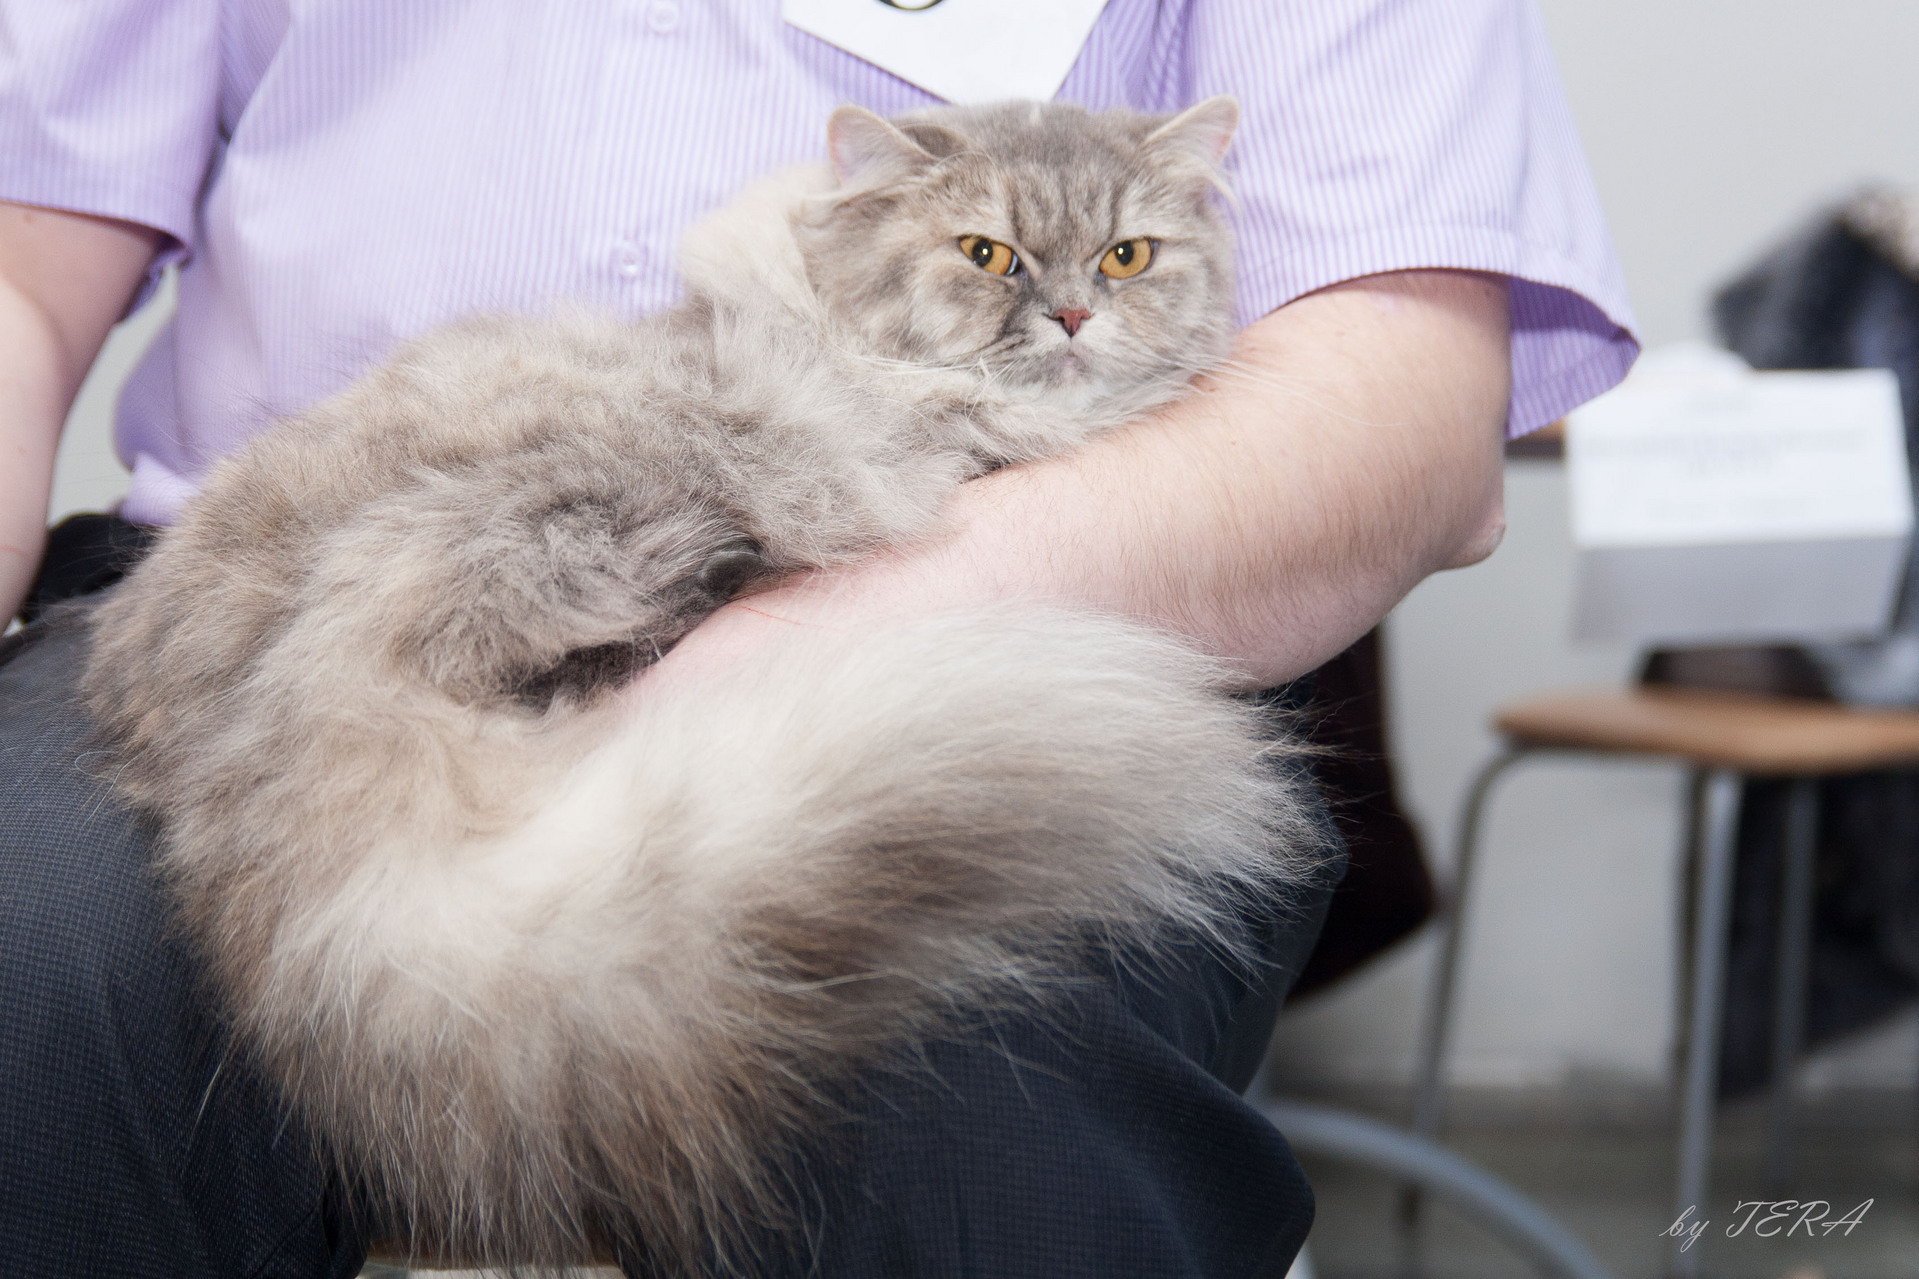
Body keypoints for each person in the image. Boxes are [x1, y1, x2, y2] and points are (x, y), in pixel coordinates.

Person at [0, 1, 1636, 1275]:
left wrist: (776, 669)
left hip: (1019, 600)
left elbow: (1407, 415)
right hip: (268, 605)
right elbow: (18, 274)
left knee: (975, 1114)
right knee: (34, 986)